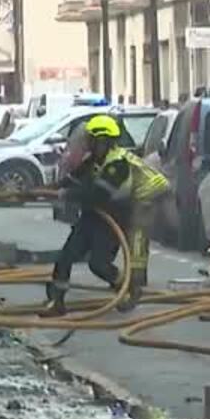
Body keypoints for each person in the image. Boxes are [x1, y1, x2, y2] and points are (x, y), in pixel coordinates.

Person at [42, 114, 172, 316]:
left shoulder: (117, 165)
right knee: (66, 255)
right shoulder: (94, 160)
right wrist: (47, 189)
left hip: (119, 213)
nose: (90, 144)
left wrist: (68, 194)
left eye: (93, 140)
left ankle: (129, 286)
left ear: (104, 141)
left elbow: (98, 195)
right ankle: (57, 302)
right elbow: (73, 180)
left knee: (99, 264)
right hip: (95, 214)